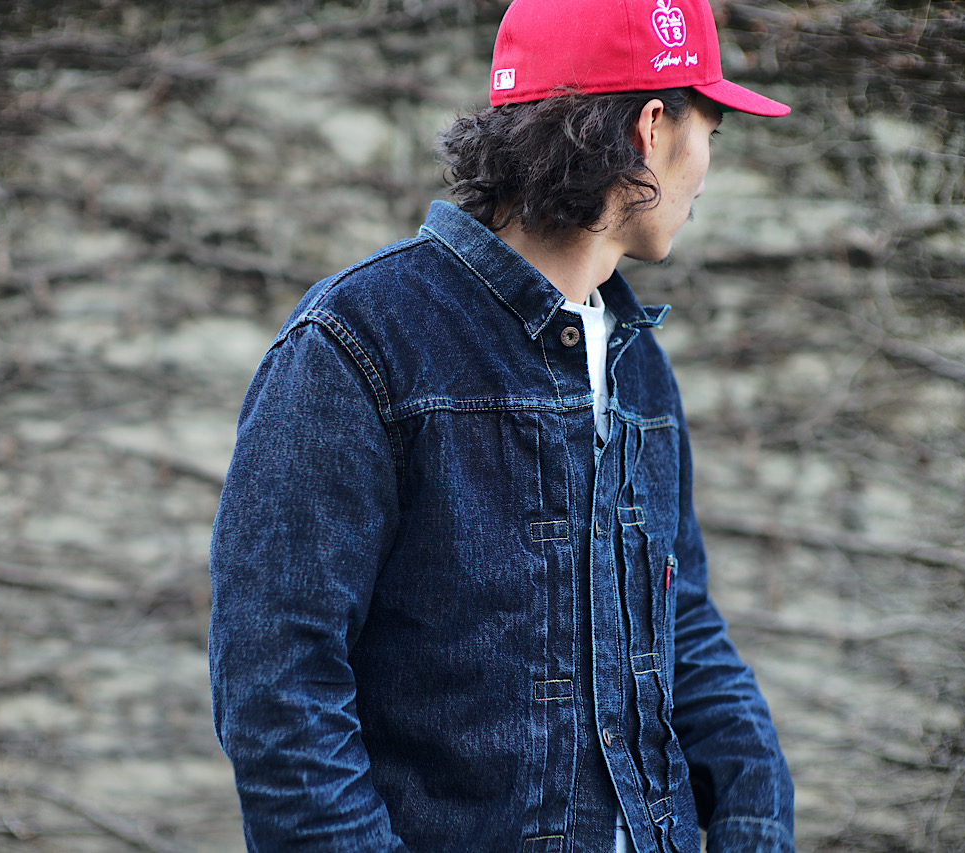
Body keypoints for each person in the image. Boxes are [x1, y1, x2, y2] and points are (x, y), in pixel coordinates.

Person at [208, 0, 795, 850]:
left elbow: (682, 629)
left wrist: (753, 817)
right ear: (651, 128)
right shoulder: (357, 343)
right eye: (710, 130)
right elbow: (278, 693)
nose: (706, 170)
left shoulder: (637, 364)